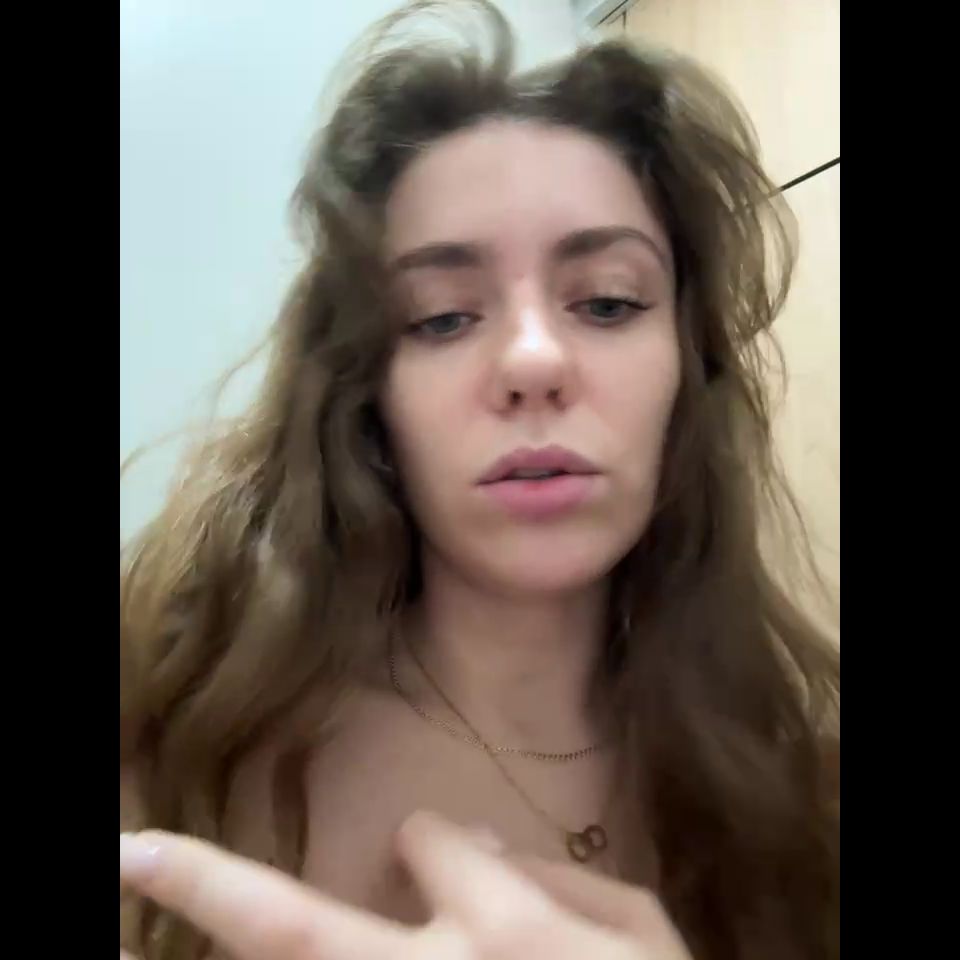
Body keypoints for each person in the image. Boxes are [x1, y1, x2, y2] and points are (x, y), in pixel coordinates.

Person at [119, 2, 840, 958]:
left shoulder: (791, 769)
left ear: (686, 366)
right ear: (368, 393)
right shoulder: (185, 731)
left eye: (608, 302)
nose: (533, 359)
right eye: (443, 317)